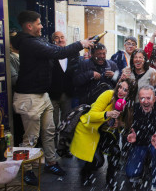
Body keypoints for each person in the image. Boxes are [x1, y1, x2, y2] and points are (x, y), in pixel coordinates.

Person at [11, 10, 94, 185]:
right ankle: (27, 170)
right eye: (39, 23)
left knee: (49, 132)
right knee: (31, 138)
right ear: (29, 26)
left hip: (43, 95)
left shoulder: (36, 41)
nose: (42, 26)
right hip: (29, 97)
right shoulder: (29, 43)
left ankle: (51, 162)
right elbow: (58, 53)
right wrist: (81, 43)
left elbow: (57, 50)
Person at [70, 78, 137, 189]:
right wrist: (107, 114)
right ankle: (85, 171)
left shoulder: (129, 104)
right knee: (98, 162)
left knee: (115, 153)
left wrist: (119, 124)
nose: (120, 91)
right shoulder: (108, 94)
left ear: (130, 93)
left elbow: (126, 124)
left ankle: (111, 180)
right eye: (120, 87)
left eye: (125, 90)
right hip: (90, 130)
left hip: (106, 132)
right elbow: (91, 116)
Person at [125, 85, 156, 191]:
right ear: (139, 99)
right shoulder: (134, 109)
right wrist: (130, 136)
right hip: (139, 143)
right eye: (142, 98)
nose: (145, 101)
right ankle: (140, 172)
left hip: (154, 143)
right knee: (131, 173)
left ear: (154, 98)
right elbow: (126, 130)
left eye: (148, 98)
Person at [49, 31, 79, 155]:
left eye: (62, 37)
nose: (60, 40)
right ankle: (51, 150)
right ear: (52, 41)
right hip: (52, 94)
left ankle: (64, 148)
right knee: (52, 124)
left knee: (67, 122)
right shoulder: (49, 54)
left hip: (68, 94)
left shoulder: (73, 54)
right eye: (57, 38)